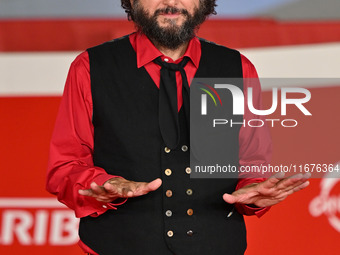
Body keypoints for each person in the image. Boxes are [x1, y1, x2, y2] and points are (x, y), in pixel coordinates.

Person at [46, 0, 310, 254]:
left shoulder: (238, 69)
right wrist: (103, 184)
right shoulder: (90, 68)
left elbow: (251, 162)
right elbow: (65, 167)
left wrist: (253, 190)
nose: (171, 2)